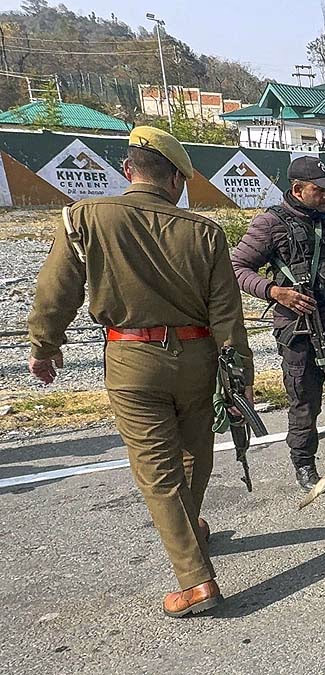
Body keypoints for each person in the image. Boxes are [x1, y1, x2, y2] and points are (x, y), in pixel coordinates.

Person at [27, 127, 252, 617]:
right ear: (175, 179)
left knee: (158, 472)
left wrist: (44, 346)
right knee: (195, 456)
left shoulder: (86, 217)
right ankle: (192, 531)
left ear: (129, 171)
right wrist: (241, 379)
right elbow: (227, 317)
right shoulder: (206, 232)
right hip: (199, 360)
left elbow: (57, 290)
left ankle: (196, 582)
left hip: (132, 361)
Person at [230, 156, 325, 490]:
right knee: (305, 400)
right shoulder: (270, 223)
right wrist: (275, 292)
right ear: (298, 189)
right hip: (299, 329)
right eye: (320, 190)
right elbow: (237, 267)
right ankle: (304, 464)